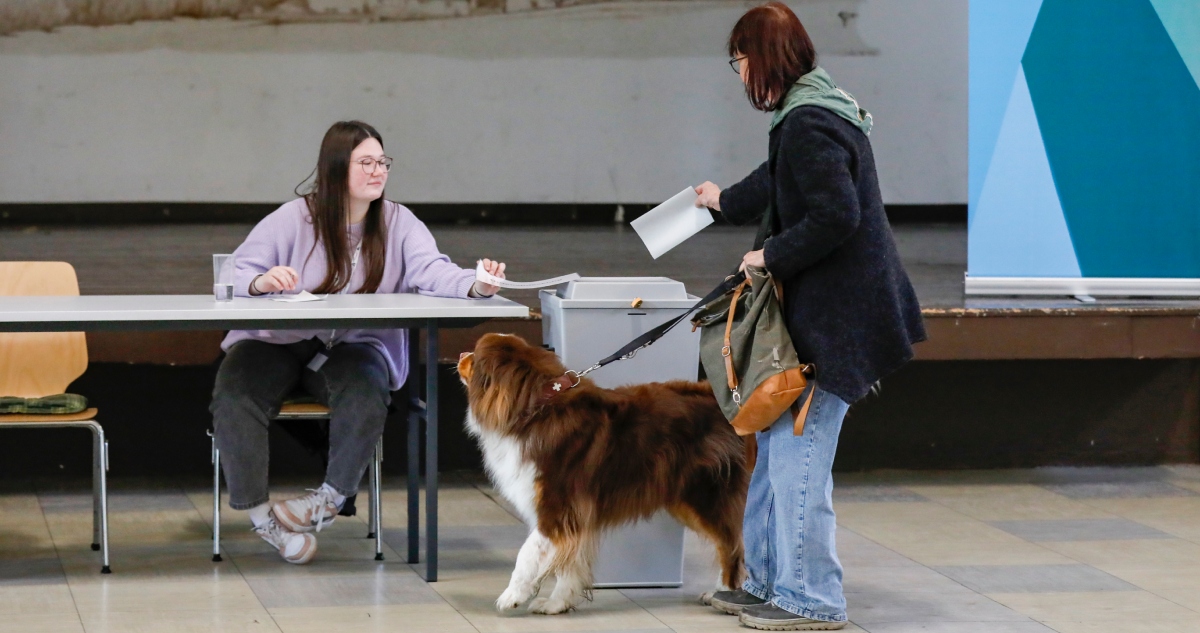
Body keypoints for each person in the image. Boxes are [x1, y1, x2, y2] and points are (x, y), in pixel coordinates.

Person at [694, 4, 926, 630]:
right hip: (827, 317)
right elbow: (778, 181)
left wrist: (769, 253)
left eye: (739, 60)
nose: (739, 74)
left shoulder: (808, 121)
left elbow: (836, 214)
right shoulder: (813, 110)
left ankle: (812, 599)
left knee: (798, 460)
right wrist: (720, 202)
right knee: (774, 452)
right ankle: (769, 584)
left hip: (836, 324)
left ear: (761, 57)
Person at [210, 120, 507, 564]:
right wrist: (260, 281)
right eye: (365, 162)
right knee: (234, 393)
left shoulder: (398, 221)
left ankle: (327, 501)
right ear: (335, 169)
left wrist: (477, 285)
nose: (378, 171)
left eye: (382, 162)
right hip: (278, 341)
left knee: (368, 387)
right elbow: (234, 272)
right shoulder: (294, 217)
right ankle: (263, 520)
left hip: (353, 344)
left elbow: (433, 270)